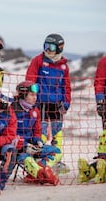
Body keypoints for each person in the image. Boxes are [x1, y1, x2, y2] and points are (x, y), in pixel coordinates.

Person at [25, 33, 71, 173]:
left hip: (57, 104)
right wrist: (30, 98)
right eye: (46, 46)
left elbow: (66, 86)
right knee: (42, 131)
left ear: (59, 48)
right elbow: (30, 80)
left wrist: (66, 101)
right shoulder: (38, 61)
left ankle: (56, 160)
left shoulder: (63, 67)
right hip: (41, 103)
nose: (48, 49)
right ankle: (40, 159)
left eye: (51, 47)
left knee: (57, 133)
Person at [13, 81, 60, 186]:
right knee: (25, 158)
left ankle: (37, 171)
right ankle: (41, 174)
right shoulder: (12, 110)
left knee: (57, 151)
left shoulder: (35, 110)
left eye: (36, 95)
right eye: (32, 95)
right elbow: (9, 133)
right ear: (23, 95)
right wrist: (25, 146)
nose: (35, 98)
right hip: (19, 148)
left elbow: (37, 130)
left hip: (33, 146)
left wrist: (37, 141)